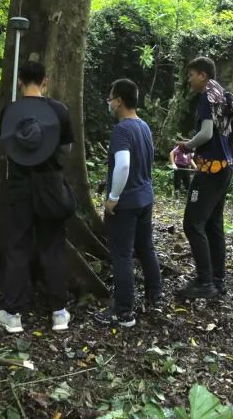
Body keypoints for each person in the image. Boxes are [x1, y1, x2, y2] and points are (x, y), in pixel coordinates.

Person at [0, 60, 74, 334]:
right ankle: (59, 313)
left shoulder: (10, 112)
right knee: (52, 246)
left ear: (19, 81)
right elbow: (66, 149)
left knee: (17, 246)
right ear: (45, 82)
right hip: (51, 186)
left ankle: (13, 314)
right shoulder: (59, 111)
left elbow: (6, 145)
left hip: (18, 187)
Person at [96, 78, 162, 327]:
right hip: (145, 197)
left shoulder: (122, 130)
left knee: (122, 254)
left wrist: (113, 198)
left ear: (119, 101)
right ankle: (155, 295)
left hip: (127, 202)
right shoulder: (143, 126)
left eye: (111, 98)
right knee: (146, 247)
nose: (109, 103)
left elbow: (123, 165)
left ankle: (123, 312)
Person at [176, 56, 233, 299]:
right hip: (225, 167)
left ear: (203, 75)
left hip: (211, 171)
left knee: (192, 224)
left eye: (191, 75)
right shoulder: (221, 95)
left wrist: (187, 145)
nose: (189, 80)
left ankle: (204, 282)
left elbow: (206, 133)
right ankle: (217, 280)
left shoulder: (205, 97)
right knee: (213, 224)